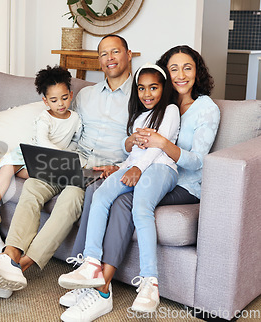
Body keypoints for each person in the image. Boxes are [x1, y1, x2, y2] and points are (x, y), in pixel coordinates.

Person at [0, 34, 134, 299]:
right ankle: (9, 256)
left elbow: (143, 140)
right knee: (32, 185)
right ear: (99, 60)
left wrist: (121, 165)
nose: (109, 58)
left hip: (103, 169)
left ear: (128, 54)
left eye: (115, 52)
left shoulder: (140, 94)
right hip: (72, 160)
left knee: (72, 198)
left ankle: (21, 266)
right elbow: (63, 121)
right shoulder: (85, 96)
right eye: (103, 54)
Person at [62, 45, 220, 321]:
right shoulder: (157, 106)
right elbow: (136, 147)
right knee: (98, 188)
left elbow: (197, 162)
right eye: (174, 69)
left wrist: (160, 146)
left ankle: (102, 287)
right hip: (147, 172)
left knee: (126, 201)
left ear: (198, 71)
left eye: (187, 68)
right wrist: (123, 165)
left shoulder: (206, 108)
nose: (181, 75)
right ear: (165, 74)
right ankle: (87, 266)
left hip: (183, 184)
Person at [58, 63, 180, 321]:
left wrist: (136, 168)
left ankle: (150, 281)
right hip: (134, 165)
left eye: (154, 88)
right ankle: (91, 263)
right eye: (142, 88)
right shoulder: (137, 116)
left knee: (141, 207)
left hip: (160, 168)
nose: (147, 93)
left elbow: (158, 149)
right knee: (101, 194)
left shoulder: (169, 110)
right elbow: (131, 150)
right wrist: (124, 164)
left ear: (164, 89)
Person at [0, 65, 82, 253]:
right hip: (30, 152)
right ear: (45, 101)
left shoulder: (75, 118)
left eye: (64, 98)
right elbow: (43, 141)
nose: (60, 104)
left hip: (50, 160)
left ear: (71, 94)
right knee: (8, 168)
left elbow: (75, 142)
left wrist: (70, 158)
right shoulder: (45, 118)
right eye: (54, 100)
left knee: (39, 176)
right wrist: (65, 155)